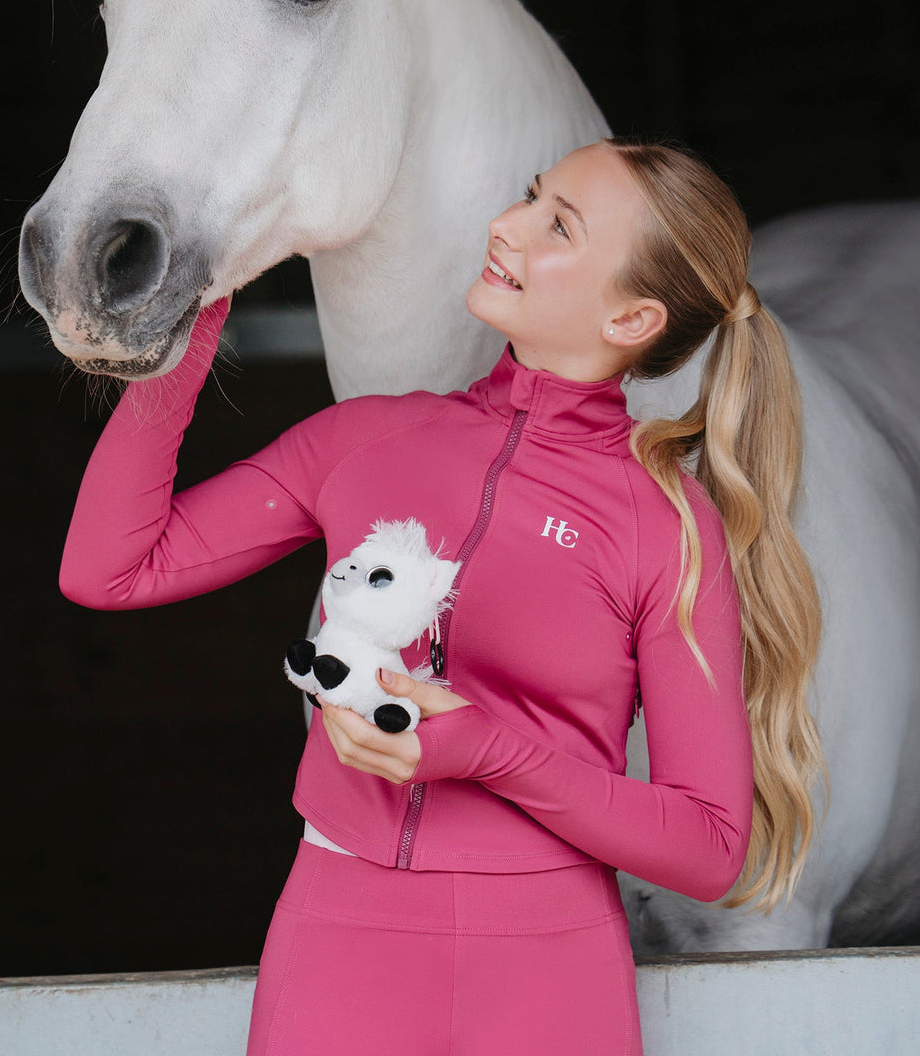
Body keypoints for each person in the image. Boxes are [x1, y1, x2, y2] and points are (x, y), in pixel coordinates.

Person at [59, 138, 824, 1055]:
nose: (506, 225)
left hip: (551, 970)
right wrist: (179, 338)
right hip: (336, 937)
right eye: (530, 197)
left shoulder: (666, 527)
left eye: (558, 225)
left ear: (633, 318)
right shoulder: (368, 438)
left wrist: (489, 751)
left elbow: (707, 846)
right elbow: (108, 567)